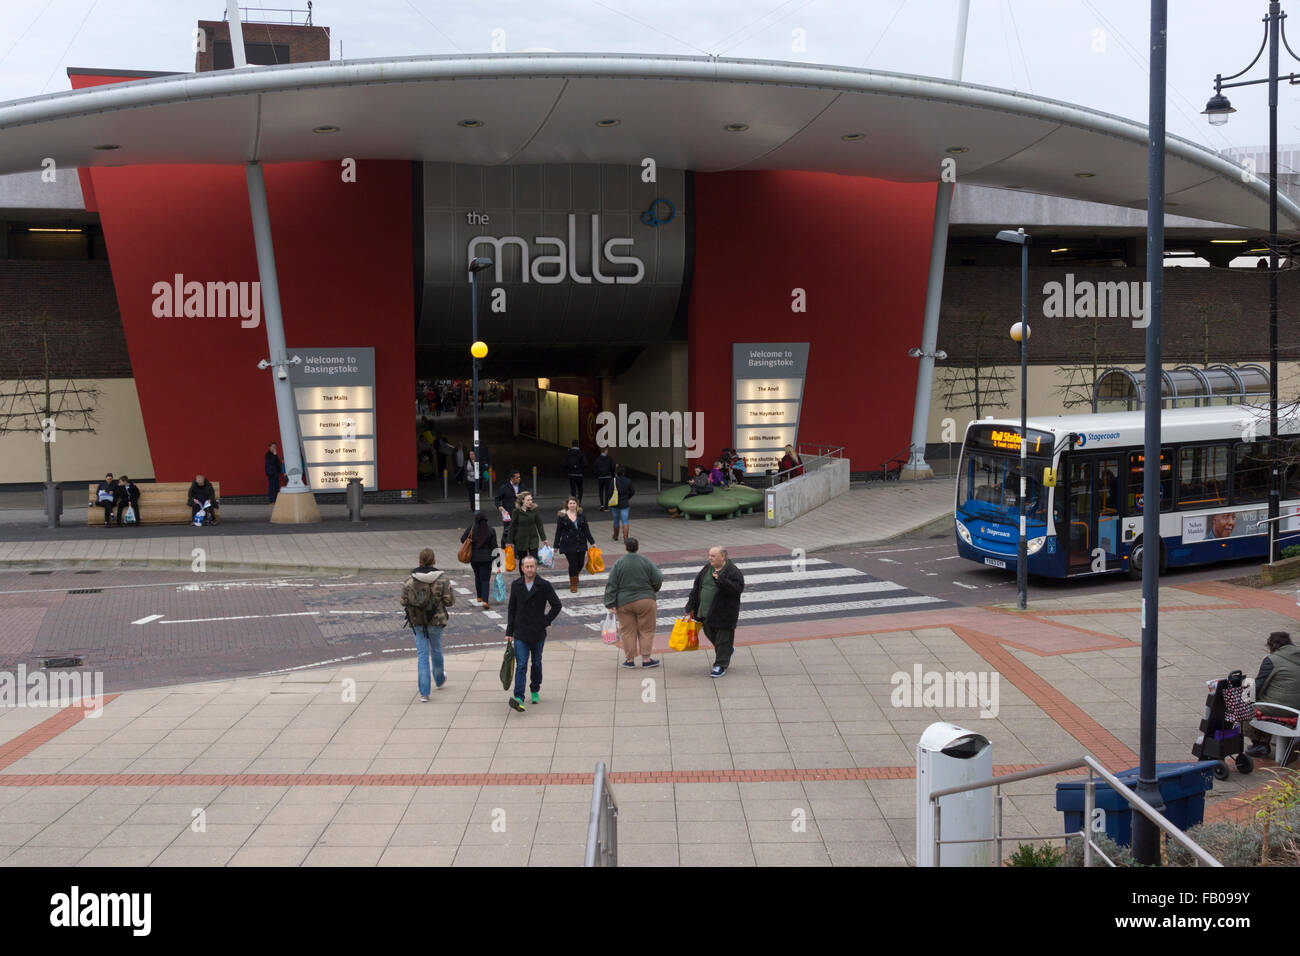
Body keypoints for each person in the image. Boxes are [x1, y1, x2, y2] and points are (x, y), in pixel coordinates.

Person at [505, 555, 562, 712]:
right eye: (527, 566)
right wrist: (509, 631)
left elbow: (557, 605)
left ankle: (535, 689)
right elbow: (512, 609)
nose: (529, 569)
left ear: (536, 568)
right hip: (521, 632)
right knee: (521, 665)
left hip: (537, 632)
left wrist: (545, 621)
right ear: (522, 568)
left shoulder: (544, 585)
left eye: (532, 566)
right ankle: (519, 697)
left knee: (536, 663)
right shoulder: (516, 585)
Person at [400, 547, 456, 701]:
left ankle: (424, 692)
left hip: (417, 621)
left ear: (419, 561)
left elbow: (403, 600)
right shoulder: (442, 579)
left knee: (422, 655)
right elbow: (449, 601)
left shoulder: (411, 580)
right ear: (434, 561)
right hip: (436, 620)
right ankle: (439, 679)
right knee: (436, 650)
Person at [684, 546, 746, 678]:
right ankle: (727, 650)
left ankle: (720, 665)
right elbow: (696, 587)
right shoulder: (707, 569)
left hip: (724, 613)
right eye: (709, 555)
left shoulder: (733, 571)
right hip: (705, 611)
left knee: (723, 638)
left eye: (713, 556)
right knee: (709, 632)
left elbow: (737, 589)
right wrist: (690, 607)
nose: (710, 558)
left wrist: (720, 581)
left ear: (723, 557)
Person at [604, 536, 663, 668]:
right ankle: (646, 659)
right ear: (638, 547)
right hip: (645, 600)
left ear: (625, 547)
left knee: (627, 631)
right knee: (647, 630)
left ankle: (629, 660)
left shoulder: (619, 563)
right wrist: (652, 590)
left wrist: (610, 603)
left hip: (624, 602)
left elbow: (611, 584)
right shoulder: (646, 561)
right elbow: (658, 578)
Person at [1246, 631, 1300, 759]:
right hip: (1298, 708)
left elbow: (1257, 687)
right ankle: (1265, 742)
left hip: (1281, 709)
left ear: (1273, 645)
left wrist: (1247, 696)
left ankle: (1260, 744)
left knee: (1244, 705)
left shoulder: (1272, 660)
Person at [554, 495, 596, 593]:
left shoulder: (581, 515)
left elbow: (586, 529)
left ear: (577, 504)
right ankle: (573, 584)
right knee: (573, 563)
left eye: (574, 503)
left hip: (581, 542)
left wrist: (592, 542)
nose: (572, 505)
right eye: (570, 503)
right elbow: (558, 531)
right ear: (567, 505)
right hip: (568, 543)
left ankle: (575, 576)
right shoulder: (562, 516)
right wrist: (556, 545)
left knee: (580, 563)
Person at [460, 511, 498, 609]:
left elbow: (462, 539)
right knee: (485, 580)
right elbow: (495, 547)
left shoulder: (472, 528)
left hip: (474, 558)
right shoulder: (491, 530)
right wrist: (497, 562)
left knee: (477, 576)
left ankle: (479, 597)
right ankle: (485, 600)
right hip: (487, 559)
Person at [505, 491, 548, 572]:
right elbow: (512, 527)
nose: (530, 502)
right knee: (522, 561)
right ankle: (523, 579)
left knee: (534, 561)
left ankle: (533, 578)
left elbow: (539, 525)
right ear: (522, 500)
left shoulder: (534, 510)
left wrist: (544, 538)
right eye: (528, 500)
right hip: (521, 540)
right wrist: (509, 541)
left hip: (533, 539)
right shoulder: (516, 512)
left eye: (531, 500)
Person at [610, 465, 634, 542]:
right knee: (625, 521)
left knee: (616, 520)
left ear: (616, 473)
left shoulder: (613, 481)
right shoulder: (628, 481)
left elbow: (609, 492)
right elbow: (632, 492)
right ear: (624, 473)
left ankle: (615, 536)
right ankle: (625, 538)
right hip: (624, 503)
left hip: (615, 503)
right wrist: (627, 498)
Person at [563, 439, 587, 503]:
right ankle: (579, 502)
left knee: (573, 490)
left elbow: (565, 464)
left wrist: (569, 469)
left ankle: (574, 503)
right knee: (580, 489)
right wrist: (581, 469)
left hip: (571, 474)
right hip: (579, 474)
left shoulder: (568, 453)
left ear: (572, 444)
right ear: (578, 445)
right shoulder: (582, 453)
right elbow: (585, 464)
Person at [593, 447, 615, 511]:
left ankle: (602, 505)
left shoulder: (597, 459)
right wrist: (613, 475)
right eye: (607, 450)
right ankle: (606, 506)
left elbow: (595, 468)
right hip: (608, 477)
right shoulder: (610, 458)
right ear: (605, 451)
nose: (607, 451)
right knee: (607, 491)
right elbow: (613, 467)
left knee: (601, 491)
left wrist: (597, 475)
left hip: (600, 477)